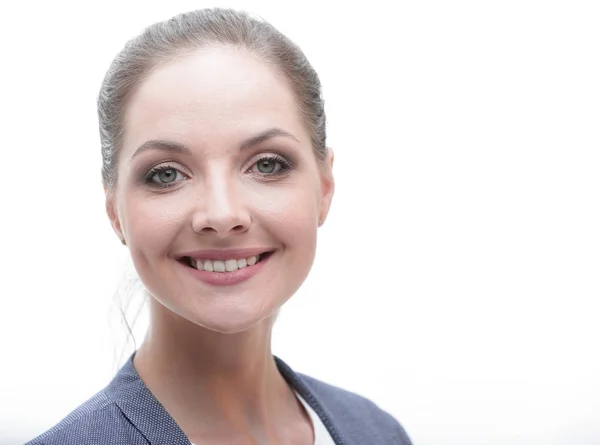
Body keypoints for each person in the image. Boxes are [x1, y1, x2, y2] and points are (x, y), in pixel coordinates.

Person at [26, 8, 412, 445]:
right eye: (166, 174)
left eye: (267, 164)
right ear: (114, 209)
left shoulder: (378, 433)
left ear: (324, 187)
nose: (223, 214)